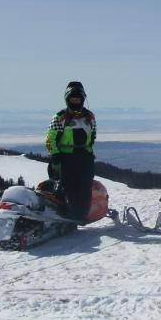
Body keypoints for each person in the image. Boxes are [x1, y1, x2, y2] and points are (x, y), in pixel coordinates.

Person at [46, 81, 96, 222]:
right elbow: (50, 137)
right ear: (68, 99)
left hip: (84, 157)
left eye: (78, 99)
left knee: (85, 187)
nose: (75, 101)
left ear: (82, 99)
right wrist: (55, 154)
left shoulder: (90, 116)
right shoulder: (60, 117)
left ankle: (82, 215)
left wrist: (89, 152)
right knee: (69, 188)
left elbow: (93, 135)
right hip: (66, 157)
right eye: (73, 99)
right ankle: (69, 216)